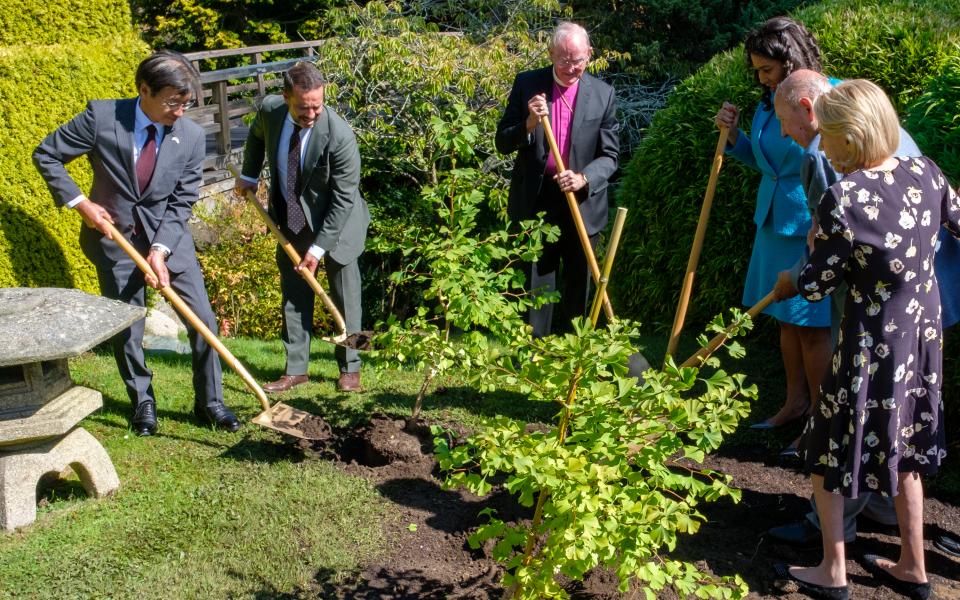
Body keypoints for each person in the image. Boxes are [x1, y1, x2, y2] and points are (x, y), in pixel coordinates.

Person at [772, 79, 959, 600]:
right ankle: (914, 567)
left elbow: (814, 285)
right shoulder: (926, 173)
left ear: (850, 138)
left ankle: (833, 572)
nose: (823, 147)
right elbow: (958, 221)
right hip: (920, 347)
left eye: (828, 137)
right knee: (907, 450)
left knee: (828, 448)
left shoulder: (845, 198)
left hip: (871, 348)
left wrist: (797, 271)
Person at [33, 51, 241, 436]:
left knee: (203, 321)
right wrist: (82, 204)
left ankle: (210, 402)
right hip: (115, 240)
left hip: (170, 239)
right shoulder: (103, 118)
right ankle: (142, 402)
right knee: (129, 328)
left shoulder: (192, 136)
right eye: (172, 102)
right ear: (144, 90)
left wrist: (160, 251)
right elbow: (47, 154)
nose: (180, 111)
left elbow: (181, 202)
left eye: (187, 103)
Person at [714, 17, 832, 432]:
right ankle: (794, 404)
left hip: (810, 222)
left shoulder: (825, 95)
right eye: (757, 71)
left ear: (790, 60)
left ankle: (822, 420)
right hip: (771, 221)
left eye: (767, 69)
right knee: (785, 319)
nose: (762, 79)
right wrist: (733, 137)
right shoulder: (770, 104)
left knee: (813, 326)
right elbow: (767, 164)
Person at [236, 61, 369, 393]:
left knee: (346, 299)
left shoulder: (340, 135)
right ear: (285, 97)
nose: (311, 114)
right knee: (293, 296)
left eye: (317, 106)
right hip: (291, 218)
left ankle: (351, 368)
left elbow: (343, 198)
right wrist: (250, 174)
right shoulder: (270, 111)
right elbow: (254, 138)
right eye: (303, 107)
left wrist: (318, 248)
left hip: (339, 224)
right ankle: (296, 369)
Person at [495, 21, 619, 338]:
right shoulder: (527, 84)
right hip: (536, 204)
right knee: (535, 288)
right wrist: (529, 123)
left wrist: (583, 177)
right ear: (551, 53)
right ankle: (535, 361)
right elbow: (503, 142)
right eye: (563, 59)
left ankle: (575, 364)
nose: (570, 67)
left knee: (579, 288)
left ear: (589, 55)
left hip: (582, 203)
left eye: (577, 60)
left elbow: (610, 157)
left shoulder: (603, 94)